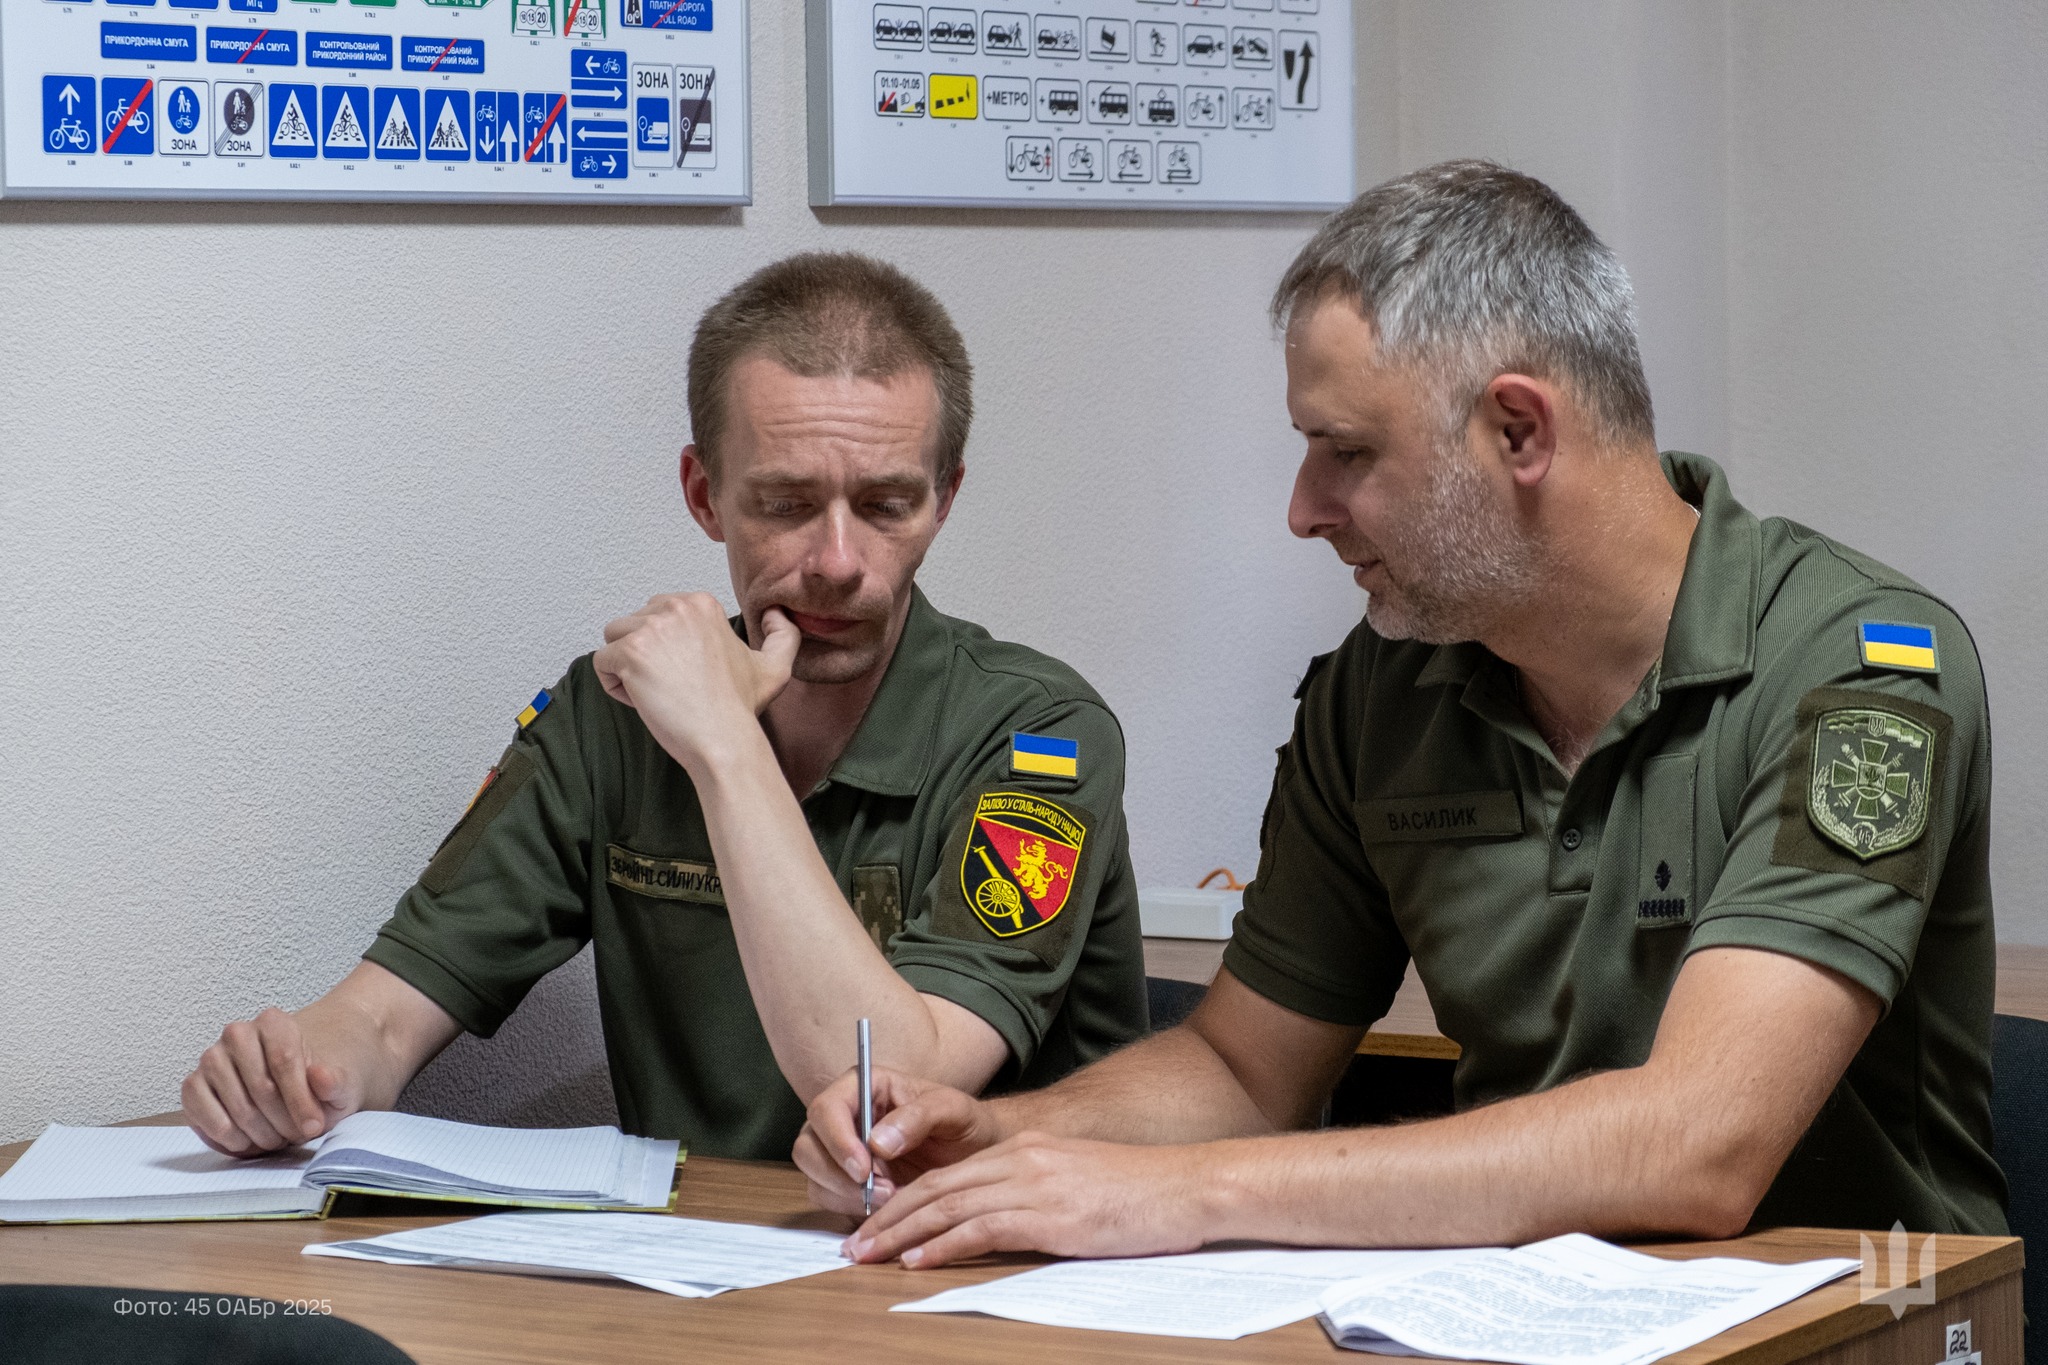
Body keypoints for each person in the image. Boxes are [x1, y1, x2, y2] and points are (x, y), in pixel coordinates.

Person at [797, 162, 2006, 1264]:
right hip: (1515, 1315)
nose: (1303, 509)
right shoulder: (1381, 690)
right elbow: (1243, 1068)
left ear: (1517, 431)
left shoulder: (1857, 672)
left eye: (1345, 452)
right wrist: (1001, 1140)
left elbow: (1695, 1145)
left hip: (1854, 1325)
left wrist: (1185, 1194)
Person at [181, 252, 1149, 1160]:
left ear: (944, 498)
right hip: (692, 1253)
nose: (836, 561)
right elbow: (385, 1018)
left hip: (979, 1261)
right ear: (704, 494)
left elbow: (886, 1099)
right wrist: (295, 1076)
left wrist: (724, 746)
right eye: (785, 503)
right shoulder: (612, 714)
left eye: (886, 506)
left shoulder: (1040, 736)